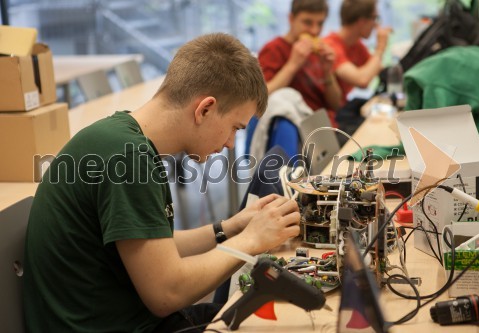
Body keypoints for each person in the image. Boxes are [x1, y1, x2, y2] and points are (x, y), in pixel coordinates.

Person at [23, 33, 301, 333]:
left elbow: (155, 244)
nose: (231, 144)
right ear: (204, 109)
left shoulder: (122, 137)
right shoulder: (128, 158)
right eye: (234, 127)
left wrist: (229, 227)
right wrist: (250, 240)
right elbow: (167, 294)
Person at [245, 0, 342, 161]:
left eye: (320, 23)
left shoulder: (319, 53)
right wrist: (293, 64)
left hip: (328, 129)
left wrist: (328, 72)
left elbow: (336, 104)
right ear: (291, 19)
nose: (314, 30)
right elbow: (259, 97)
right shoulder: (274, 49)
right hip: (302, 137)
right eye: (307, 23)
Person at [323, 0, 392, 133]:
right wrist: (380, 48)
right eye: (375, 18)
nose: (376, 24)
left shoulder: (356, 45)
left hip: (342, 113)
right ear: (362, 21)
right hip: (332, 120)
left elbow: (376, 70)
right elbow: (362, 80)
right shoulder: (331, 46)